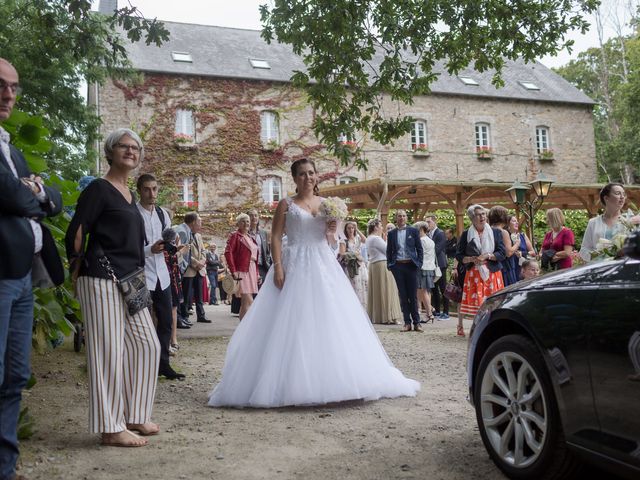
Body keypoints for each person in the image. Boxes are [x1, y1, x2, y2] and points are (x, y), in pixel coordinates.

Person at [209, 158, 419, 407]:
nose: (307, 177)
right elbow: (276, 236)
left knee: (330, 318)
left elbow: (333, 242)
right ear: (295, 179)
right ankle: (288, 381)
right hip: (294, 262)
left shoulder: (328, 204)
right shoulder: (286, 204)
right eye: (301, 174)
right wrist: (277, 267)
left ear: (316, 176)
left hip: (322, 264)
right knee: (292, 319)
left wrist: (331, 231)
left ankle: (336, 379)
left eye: (311, 173)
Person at [65, 128, 160, 447]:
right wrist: (76, 269)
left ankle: (134, 414)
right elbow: (77, 230)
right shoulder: (98, 189)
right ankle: (110, 426)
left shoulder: (130, 195)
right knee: (108, 352)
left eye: (136, 147)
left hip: (131, 279)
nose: (131, 151)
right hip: (100, 276)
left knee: (148, 344)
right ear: (110, 151)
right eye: (124, 146)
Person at [0, 58, 64, 479]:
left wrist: (35, 191)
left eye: (14, 87)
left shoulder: (12, 149)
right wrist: (32, 194)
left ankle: (4, 466)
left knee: (16, 374)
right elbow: (14, 199)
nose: (8, 94)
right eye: (0, 86)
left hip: (22, 276)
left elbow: (52, 199)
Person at [136, 174, 185, 380]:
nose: (152, 193)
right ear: (139, 190)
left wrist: (173, 246)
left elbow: (167, 238)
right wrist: (150, 249)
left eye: (154, 189)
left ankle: (163, 364)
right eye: (147, 189)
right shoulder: (133, 214)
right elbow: (128, 247)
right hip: (141, 276)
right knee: (142, 325)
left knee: (165, 321)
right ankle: (142, 365)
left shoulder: (163, 214)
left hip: (162, 276)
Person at [455, 204, 506, 337]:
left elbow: (502, 253)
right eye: (479, 214)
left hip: (492, 272)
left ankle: (493, 330)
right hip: (473, 273)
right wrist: (470, 259)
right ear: (472, 218)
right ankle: (478, 331)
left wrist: (488, 256)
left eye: (484, 214)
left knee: (493, 303)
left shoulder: (496, 232)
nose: (482, 216)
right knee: (477, 304)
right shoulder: (466, 234)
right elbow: (459, 255)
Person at [580, 183, 640, 261]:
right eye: (618, 193)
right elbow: (584, 250)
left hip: (626, 267)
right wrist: (598, 256)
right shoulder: (593, 222)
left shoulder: (632, 219)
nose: (622, 197)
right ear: (606, 198)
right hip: (601, 269)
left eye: (624, 194)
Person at [386, 210, 424, 332]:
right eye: (399, 216)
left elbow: (419, 248)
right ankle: (407, 323)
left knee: (412, 295)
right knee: (403, 295)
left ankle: (417, 323)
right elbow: (389, 250)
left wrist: (419, 264)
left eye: (403, 216)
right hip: (398, 266)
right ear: (396, 218)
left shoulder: (413, 231)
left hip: (411, 266)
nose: (401, 218)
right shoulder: (391, 233)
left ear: (406, 218)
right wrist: (390, 265)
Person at [175, 212, 211, 324]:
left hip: (200, 270)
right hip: (189, 269)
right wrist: (195, 263)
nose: (201, 225)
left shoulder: (198, 236)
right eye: (199, 222)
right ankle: (184, 317)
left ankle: (201, 315)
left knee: (199, 296)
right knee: (186, 295)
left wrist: (202, 262)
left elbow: (203, 250)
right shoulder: (183, 231)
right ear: (194, 222)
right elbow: (184, 252)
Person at [365, 219, 401, 325]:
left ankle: (380, 315)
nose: (382, 228)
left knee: (378, 291)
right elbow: (388, 251)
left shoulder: (369, 238)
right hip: (382, 265)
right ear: (375, 227)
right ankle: (388, 316)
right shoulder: (376, 238)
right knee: (387, 290)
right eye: (380, 226)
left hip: (374, 265)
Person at [224, 213, 259, 320]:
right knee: (249, 301)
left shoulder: (250, 237)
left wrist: (257, 273)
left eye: (247, 221)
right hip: (242, 270)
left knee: (245, 302)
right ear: (238, 224)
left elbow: (255, 257)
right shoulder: (235, 236)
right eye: (243, 221)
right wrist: (233, 270)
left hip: (252, 270)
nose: (246, 223)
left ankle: (242, 330)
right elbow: (228, 252)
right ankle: (247, 328)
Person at [425, 215, 449, 320]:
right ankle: (437, 311)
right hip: (432, 264)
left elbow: (438, 249)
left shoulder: (440, 233)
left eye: (429, 222)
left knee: (443, 288)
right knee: (434, 289)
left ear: (434, 222)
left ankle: (446, 312)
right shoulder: (427, 234)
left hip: (440, 264)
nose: (427, 224)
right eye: (426, 222)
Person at [488, 206, 519, 287]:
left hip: (494, 266)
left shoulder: (488, 230)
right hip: (506, 266)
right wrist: (517, 243)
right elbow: (508, 252)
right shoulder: (503, 232)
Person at [339, 221, 368, 307]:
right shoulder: (343, 240)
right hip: (352, 266)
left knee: (364, 284)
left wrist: (357, 229)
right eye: (349, 228)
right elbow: (342, 253)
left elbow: (365, 240)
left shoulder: (357, 238)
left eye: (352, 228)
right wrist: (355, 255)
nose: (351, 230)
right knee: (355, 285)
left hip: (361, 265)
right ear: (346, 229)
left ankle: (365, 307)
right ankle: (356, 306)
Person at [416, 222, 437, 323]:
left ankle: (429, 313)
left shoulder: (421, 241)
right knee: (423, 291)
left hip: (423, 268)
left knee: (423, 291)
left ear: (420, 229)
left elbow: (419, 255)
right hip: (430, 267)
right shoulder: (430, 241)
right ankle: (430, 309)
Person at [507, 214, 535, 279]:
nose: (516, 222)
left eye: (517, 221)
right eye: (514, 221)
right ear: (508, 223)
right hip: (510, 267)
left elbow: (533, 252)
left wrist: (523, 253)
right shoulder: (506, 236)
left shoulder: (523, 235)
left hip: (522, 267)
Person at [248, 209, 272, 285]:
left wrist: (268, 264)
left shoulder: (263, 233)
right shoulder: (244, 233)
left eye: (256, 215)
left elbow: (267, 251)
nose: (254, 217)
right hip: (249, 267)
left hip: (262, 266)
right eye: (251, 215)